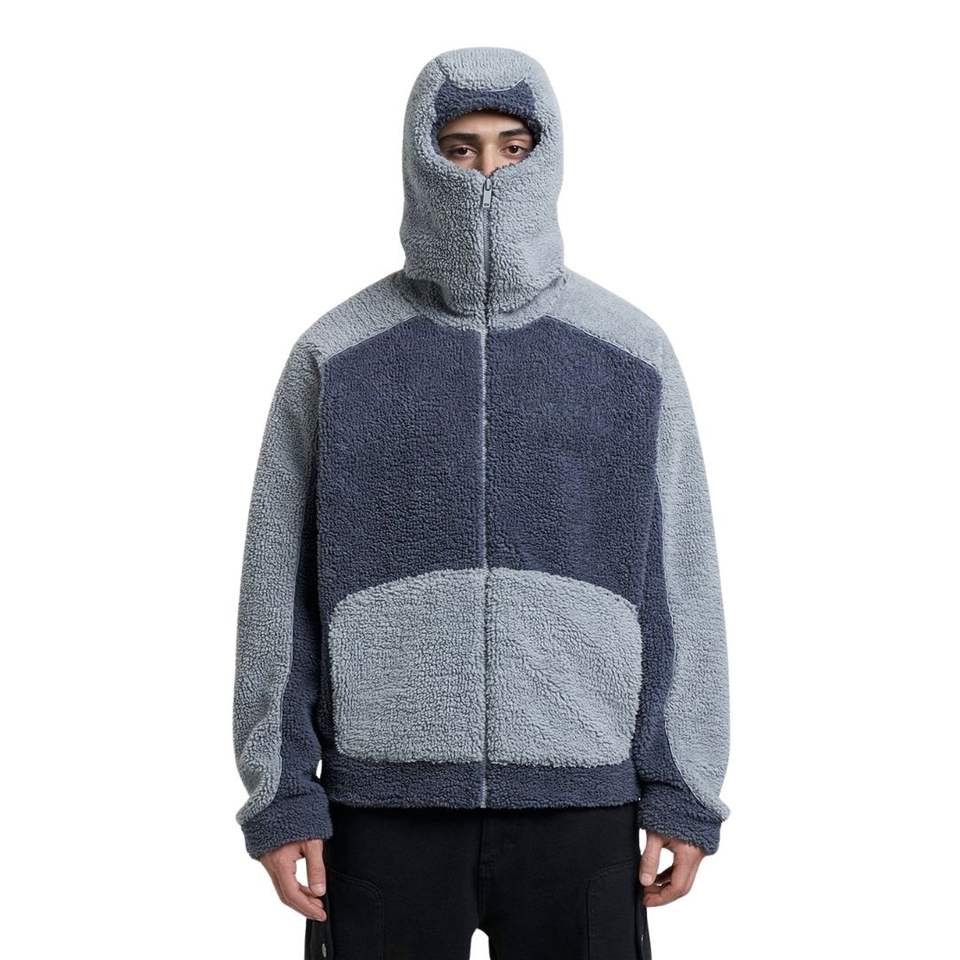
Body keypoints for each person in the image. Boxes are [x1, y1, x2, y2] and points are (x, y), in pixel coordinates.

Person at [232, 45, 731, 959]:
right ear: (421, 158)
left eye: (512, 146)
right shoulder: (335, 354)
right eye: (459, 148)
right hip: (378, 811)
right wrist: (281, 793)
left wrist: (684, 786)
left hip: (583, 801)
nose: (487, 172)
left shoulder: (631, 353)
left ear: (549, 156)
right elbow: (277, 587)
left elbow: (680, 580)